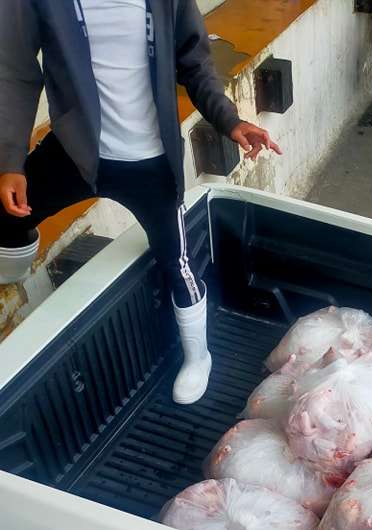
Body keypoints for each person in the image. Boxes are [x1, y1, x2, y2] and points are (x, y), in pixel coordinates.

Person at [0, 0, 281, 404]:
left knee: (178, 265)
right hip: (76, 153)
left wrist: (229, 120)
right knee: (6, 214)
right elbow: (14, 73)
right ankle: (11, 270)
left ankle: (198, 356)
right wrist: (10, 161)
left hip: (151, 163)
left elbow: (195, 62)